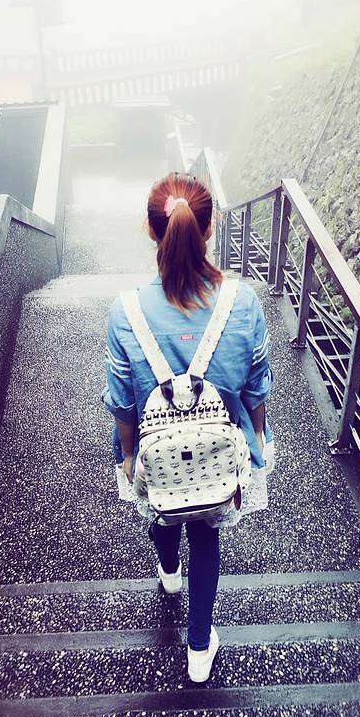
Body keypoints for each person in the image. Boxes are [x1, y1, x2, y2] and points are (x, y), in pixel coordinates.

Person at [101, 172, 274, 683]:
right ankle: (199, 647)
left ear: (150, 229)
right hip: (218, 451)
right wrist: (259, 440)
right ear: (210, 228)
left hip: (153, 448)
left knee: (162, 501)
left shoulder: (125, 312)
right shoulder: (242, 303)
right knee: (205, 531)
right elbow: (256, 387)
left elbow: (122, 403)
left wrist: (127, 455)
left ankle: (169, 574)